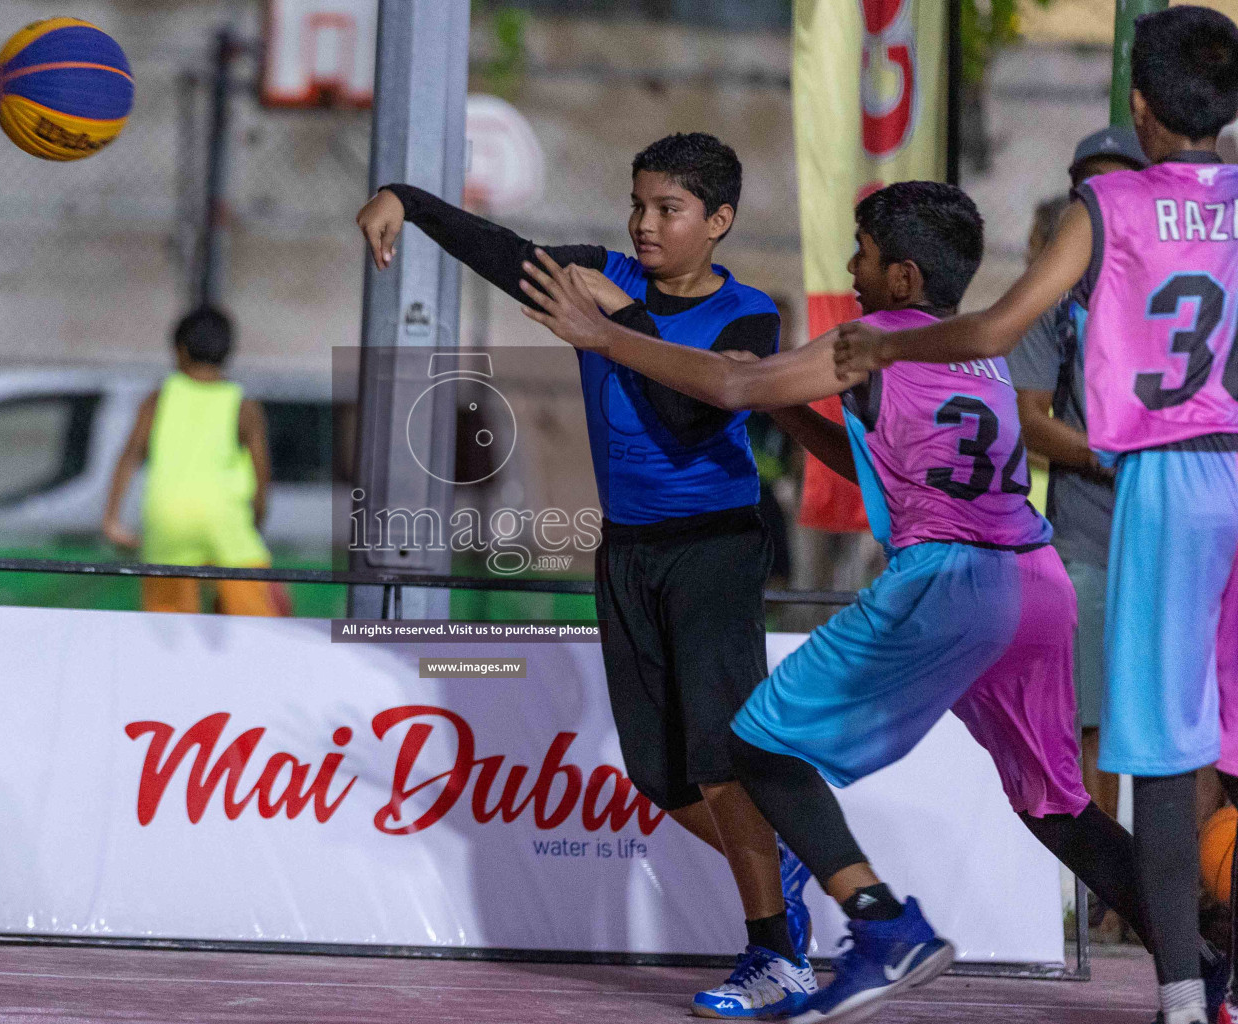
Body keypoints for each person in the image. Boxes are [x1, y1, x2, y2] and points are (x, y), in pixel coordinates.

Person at [519, 179, 1180, 1023]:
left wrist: (602, 336)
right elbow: (892, 468)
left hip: (952, 581)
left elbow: (724, 386)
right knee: (1058, 806)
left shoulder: (876, 340)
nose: (850, 269)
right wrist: (796, 420)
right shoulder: (977, 354)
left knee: (755, 743)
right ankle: (1198, 965)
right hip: (1033, 581)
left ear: (902, 277)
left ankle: (881, 926)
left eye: (861, 254)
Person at [833, 11, 1238, 1022]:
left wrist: (890, 349)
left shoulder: (1107, 205)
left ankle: (1186, 993)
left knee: (1154, 746)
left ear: (1139, 107)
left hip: (1168, 482)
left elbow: (1001, 325)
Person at [356, 133, 816, 1019]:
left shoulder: (749, 316)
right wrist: (406, 200)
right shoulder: (600, 273)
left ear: (718, 222)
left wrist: (615, 327)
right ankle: (782, 856)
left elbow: (691, 416)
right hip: (629, 548)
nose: (644, 224)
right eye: (637, 204)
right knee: (661, 777)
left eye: (668, 210)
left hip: (715, 543)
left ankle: (778, 959)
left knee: (721, 760)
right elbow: (503, 254)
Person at [1005, 129, 1147, 925]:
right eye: (1086, 186)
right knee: (1089, 724)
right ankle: (1108, 902)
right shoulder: (1051, 298)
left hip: (1179, 534)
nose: (1100, 200)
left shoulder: (1192, 277)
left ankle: (1186, 897)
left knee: (1174, 735)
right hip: (1087, 537)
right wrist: (1114, 458)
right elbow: (1030, 420)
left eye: (1116, 181)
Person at [102, 307, 283, 618]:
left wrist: (112, 520)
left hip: (168, 522)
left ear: (179, 349)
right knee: (255, 625)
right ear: (229, 351)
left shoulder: (158, 399)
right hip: (224, 521)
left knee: (169, 619)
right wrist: (256, 522)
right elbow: (261, 474)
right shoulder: (243, 405)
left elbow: (130, 454)